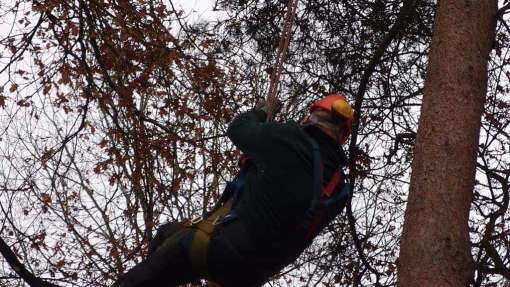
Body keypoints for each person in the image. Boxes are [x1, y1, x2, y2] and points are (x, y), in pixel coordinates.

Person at [113, 94, 354, 287]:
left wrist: (261, 111)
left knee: (168, 235)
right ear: (342, 135)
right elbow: (285, 202)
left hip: (221, 248)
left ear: (313, 116)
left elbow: (238, 129)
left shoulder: (289, 138)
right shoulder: (339, 188)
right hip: (252, 275)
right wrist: (257, 168)